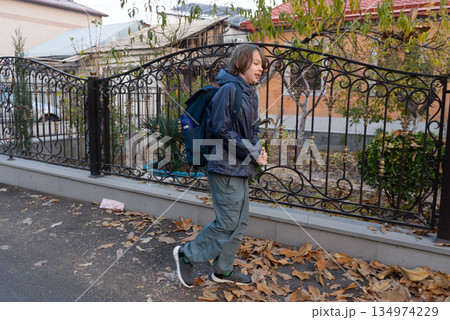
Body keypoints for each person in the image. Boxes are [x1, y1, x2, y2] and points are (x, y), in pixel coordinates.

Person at [173, 44, 268, 287]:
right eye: (256, 63)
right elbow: (220, 129)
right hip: (224, 167)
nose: (261, 68)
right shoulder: (229, 90)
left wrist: (257, 150)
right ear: (240, 64)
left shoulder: (250, 93)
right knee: (227, 222)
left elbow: (251, 130)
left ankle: (222, 270)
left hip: (241, 166)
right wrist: (250, 152)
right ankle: (187, 255)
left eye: (262, 64)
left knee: (240, 222)